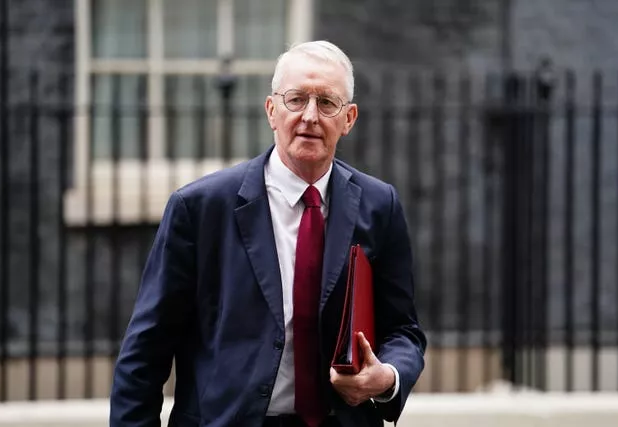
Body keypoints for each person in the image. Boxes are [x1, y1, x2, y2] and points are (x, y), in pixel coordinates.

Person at [110, 40, 427, 427]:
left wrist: (387, 377)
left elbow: (403, 330)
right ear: (271, 110)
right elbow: (146, 351)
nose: (310, 115)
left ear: (349, 119)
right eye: (296, 100)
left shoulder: (381, 206)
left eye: (327, 103)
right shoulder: (199, 208)